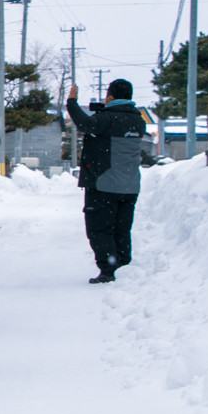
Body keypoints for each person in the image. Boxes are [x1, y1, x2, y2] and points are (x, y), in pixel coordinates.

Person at [66, 79, 144, 284]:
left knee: (99, 228)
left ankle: (108, 270)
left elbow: (84, 123)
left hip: (104, 184)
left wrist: (72, 102)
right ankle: (123, 264)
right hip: (130, 185)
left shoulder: (107, 119)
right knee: (121, 228)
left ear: (110, 96)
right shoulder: (138, 120)